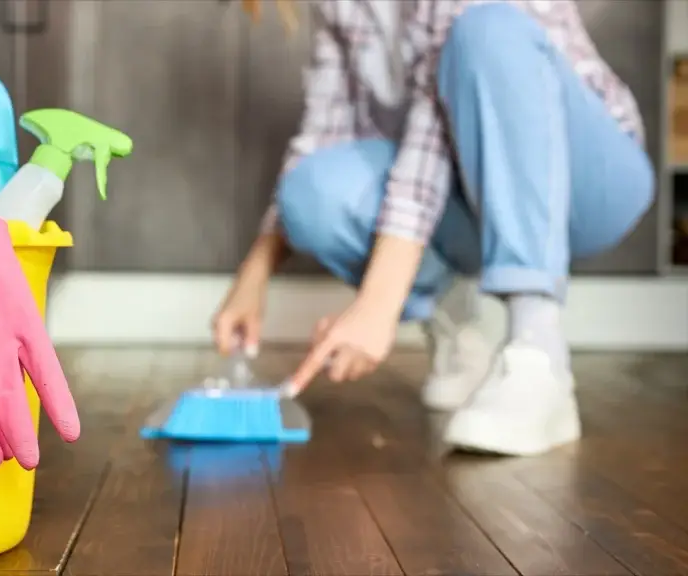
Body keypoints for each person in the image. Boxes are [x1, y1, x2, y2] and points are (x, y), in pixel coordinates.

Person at [212, 0, 654, 456]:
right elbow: (322, 134)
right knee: (312, 194)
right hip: (470, 193)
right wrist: (255, 271)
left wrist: (377, 305)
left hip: (586, 182)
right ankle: (455, 323)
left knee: (486, 30)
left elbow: (431, 140)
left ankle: (538, 354)